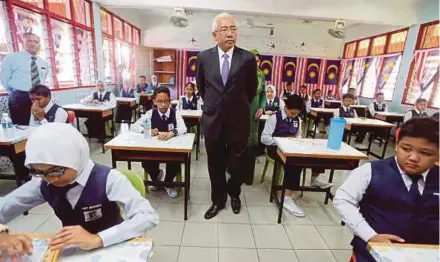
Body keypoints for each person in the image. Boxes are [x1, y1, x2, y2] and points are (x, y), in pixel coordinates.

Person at [0, 123, 158, 253]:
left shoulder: (109, 178)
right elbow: (4, 206)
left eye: (57, 170)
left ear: (77, 158)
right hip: (75, 249)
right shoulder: (42, 183)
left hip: (113, 245)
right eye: (40, 172)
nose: (52, 179)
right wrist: (2, 232)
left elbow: (147, 216)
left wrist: (98, 239)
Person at [334, 117, 439, 262]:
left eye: (425, 153)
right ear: (396, 145)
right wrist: (369, 235)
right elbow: (343, 200)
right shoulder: (370, 171)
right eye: (406, 149)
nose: (414, 158)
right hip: (373, 254)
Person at [196, 12, 257, 219]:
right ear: (214, 35)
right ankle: (218, 200)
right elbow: (202, 87)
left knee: (237, 164)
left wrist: (235, 106)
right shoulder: (203, 57)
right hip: (213, 121)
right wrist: (216, 106)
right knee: (215, 164)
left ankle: (234, 192)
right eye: (224, 29)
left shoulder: (247, 59)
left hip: (238, 123)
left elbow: (251, 89)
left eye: (233, 29)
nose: (230, 33)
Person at [261, 95, 332, 217]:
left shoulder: (297, 119)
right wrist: (281, 141)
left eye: (296, 114)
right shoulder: (274, 118)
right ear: (286, 107)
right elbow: (264, 138)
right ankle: (287, 197)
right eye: (292, 112)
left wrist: (297, 142)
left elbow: (298, 136)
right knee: (294, 163)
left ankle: (314, 179)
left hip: (291, 147)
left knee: (314, 153)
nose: (293, 116)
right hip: (275, 148)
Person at [131, 87, 187, 198]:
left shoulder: (175, 113)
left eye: (166, 101)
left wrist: (172, 132)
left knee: (175, 160)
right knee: (146, 161)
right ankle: (156, 179)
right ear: (154, 102)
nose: (163, 104)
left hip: (171, 149)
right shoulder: (151, 113)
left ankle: (168, 183)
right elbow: (134, 126)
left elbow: (183, 128)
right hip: (154, 148)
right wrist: (147, 130)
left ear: (170, 101)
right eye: (160, 101)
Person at [0, 33, 51, 125]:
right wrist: (14, 93)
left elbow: (43, 79)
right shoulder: (12, 58)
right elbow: (4, 78)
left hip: (39, 97)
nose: (33, 44)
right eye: (29, 41)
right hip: (20, 97)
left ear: (39, 45)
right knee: (21, 126)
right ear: (22, 42)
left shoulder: (43, 63)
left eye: (36, 42)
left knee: (40, 124)